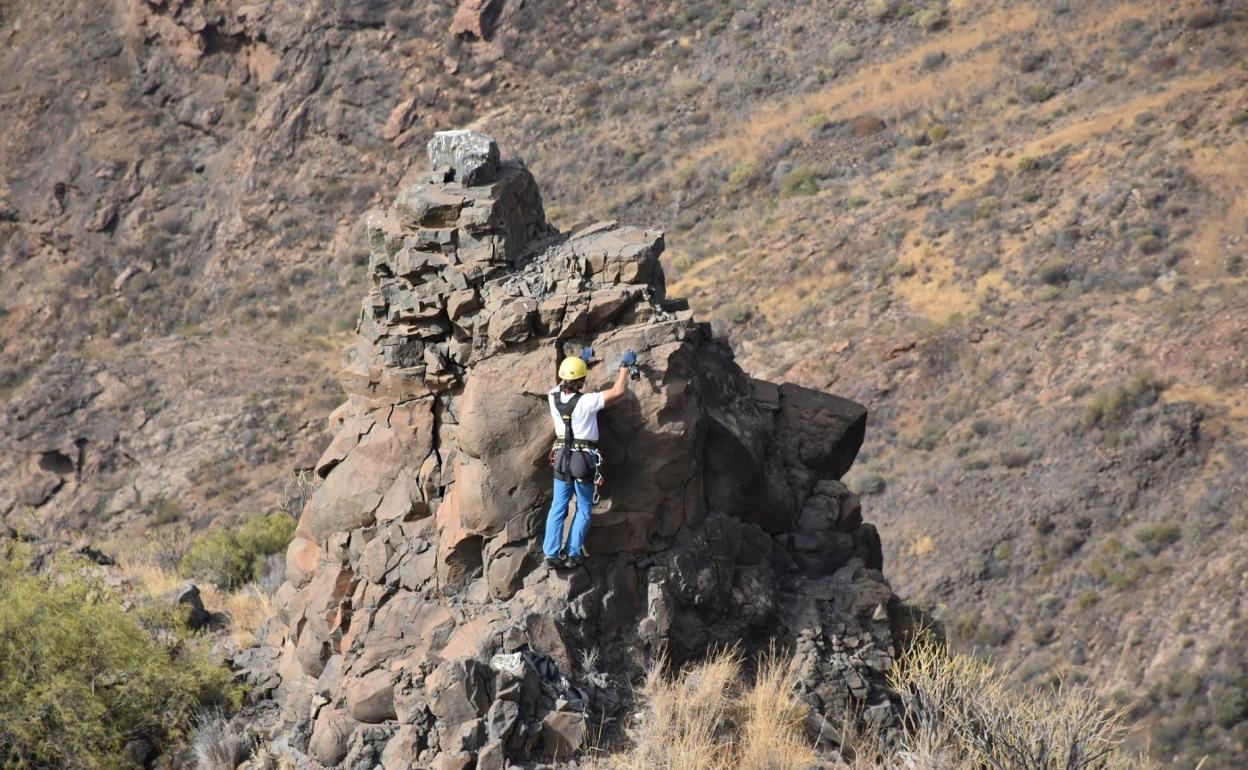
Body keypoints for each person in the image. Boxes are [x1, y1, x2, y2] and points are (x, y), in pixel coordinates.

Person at [542, 346, 637, 568]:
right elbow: (617, 391)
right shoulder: (587, 402)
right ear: (581, 380)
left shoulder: (552, 396)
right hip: (582, 459)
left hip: (561, 457)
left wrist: (580, 361)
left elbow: (564, 382)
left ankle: (551, 554)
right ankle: (574, 552)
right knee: (584, 507)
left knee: (558, 505)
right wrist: (624, 366)